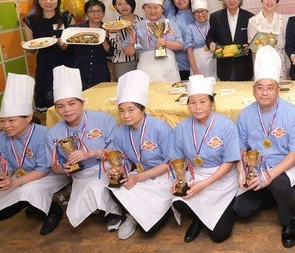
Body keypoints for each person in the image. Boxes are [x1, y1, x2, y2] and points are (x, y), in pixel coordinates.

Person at [233, 46, 295, 248]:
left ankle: (289, 220)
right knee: (241, 210)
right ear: (253, 89)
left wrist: (270, 175)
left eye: (270, 87)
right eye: (260, 87)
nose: (265, 93)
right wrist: (242, 169)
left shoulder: (292, 113)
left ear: (278, 88)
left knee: (278, 184)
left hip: (284, 165)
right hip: (256, 167)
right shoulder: (246, 114)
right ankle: (270, 197)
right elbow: (240, 147)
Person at [0, 73, 69, 235]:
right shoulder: (0, 140)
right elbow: (4, 166)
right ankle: (34, 203)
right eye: (2, 121)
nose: (6, 126)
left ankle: (53, 210)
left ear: (28, 118)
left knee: (26, 190)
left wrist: (16, 183)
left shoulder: (44, 135)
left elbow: (44, 169)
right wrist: (3, 178)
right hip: (24, 175)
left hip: (51, 174)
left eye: (11, 120)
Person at [46, 66, 122, 230]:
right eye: (60, 106)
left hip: (106, 167)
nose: (67, 110)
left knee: (98, 187)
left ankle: (113, 213)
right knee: (78, 211)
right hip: (79, 175)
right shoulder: (54, 133)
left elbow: (118, 152)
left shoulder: (104, 119)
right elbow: (54, 165)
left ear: (82, 102)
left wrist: (92, 153)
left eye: (72, 103)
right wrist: (64, 168)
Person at [171, 75, 240, 243]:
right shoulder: (181, 128)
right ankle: (199, 218)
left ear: (211, 102)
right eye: (192, 102)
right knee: (177, 201)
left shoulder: (227, 125)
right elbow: (177, 159)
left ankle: (212, 213)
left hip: (221, 179)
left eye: (203, 101)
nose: (197, 107)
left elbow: (230, 162)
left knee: (219, 236)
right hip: (196, 175)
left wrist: (205, 184)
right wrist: (178, 178)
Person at [108, 70, 175, 239]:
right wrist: (119, 170)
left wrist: (139, 177)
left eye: (131, 109)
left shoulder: (160, 127)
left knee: (149, 231)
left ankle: (161, 211)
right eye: (121, 111)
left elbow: (170, 163)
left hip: (162, 177)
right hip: (139, 174)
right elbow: (121, 158)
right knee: (113, 187)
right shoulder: (120, 132)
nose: (126, 115)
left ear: (142, 108)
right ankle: (133, 215)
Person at [121, 0, 183, 82]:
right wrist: (131, 43)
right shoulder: (136, 26)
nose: (152, 10)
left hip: (169, 69)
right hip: (146, 69)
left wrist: (166, 43)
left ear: (162, 8)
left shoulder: (171, 24)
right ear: (143, 9)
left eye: (156, 7)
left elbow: (180, 45)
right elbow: (128, 52)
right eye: (148, 7)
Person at [23, 0, 73, 111]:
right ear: (37, 1)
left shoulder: (66, 18)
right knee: (50, 107)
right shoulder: (30, 21)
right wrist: (26, 46)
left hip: (66, 64)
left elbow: (74, 44)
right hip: (45, 66)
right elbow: (32, 49)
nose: (48, 2)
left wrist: (64, 46)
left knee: (69, 103)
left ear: (58, 0)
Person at [206, 0, 255, 81]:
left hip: (244, 66)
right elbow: (210, 36)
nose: (232, 0)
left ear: (240, 0)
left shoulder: (250, 17)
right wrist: (210, 43)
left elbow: (254, 40)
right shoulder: (215, 17)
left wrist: (249, 46)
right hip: (224, 67)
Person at [249, 0, 291, 80]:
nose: (269, 1)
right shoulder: (253, 21)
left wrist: (276, 42)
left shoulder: (284, 20)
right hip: (262, 65)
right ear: (261, 0)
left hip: (280, 65)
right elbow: (253, 47)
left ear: (277, 0)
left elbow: (287, 43)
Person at [70, 0, 111, 89]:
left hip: (100, 71)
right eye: (91, 11)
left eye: (98, 11)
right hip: (79, 71)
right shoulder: (76, 29)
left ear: (103, 13)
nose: (95, 14)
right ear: (86, 14)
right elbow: (68, 49)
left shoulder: (109, 30)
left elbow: (110, 53)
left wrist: (103, 39)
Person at [163, 0, 194, 79]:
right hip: (171, 61)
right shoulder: (170, 11)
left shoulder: (196, 13)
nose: (180, 0)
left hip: (192, 61)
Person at [108, 0, 141, 80]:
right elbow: (117, 47)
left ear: (132, 3)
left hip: (142, 61)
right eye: (120, 4)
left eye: (127, 3)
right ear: (115, 7)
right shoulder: (112, 25)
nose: (124, 7)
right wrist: (114, 33)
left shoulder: (142, 22)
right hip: (122, 63)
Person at [185, 0, 217, 79]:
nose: (200, 14)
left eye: (203, 11)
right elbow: (189, 52)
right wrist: (195, 71)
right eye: (197, 12)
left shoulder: (213, 24)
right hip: (197, 65)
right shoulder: (190, 28)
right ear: (193, 14)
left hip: (214, 63)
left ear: (207, 12)